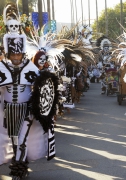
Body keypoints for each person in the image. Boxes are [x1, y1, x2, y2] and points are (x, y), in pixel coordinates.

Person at [0, 3, 55, 179]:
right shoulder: (1, 67)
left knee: (22, 140)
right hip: (8, 112)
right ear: (8, 53)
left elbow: (42, 89)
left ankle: (18, 172)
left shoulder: (30, 67)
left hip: (26, 111)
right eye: (13, 55)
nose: (16, 57)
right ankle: (21, 166)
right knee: (14, 141)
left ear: (22, 53)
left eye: (18, 54)